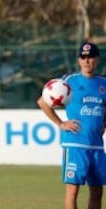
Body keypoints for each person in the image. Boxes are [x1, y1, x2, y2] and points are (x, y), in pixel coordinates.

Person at [37, 42, 106, 209]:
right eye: (83, 57)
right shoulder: (68, 81)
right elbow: (42, 102)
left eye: (90, 57)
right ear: (78, 60)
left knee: (97, 192)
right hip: (75, 144)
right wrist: (60, 123)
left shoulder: (103, 83)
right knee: (72, 191)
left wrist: (104, 124)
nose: (86, 61)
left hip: (96, 145)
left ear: (97, 59)